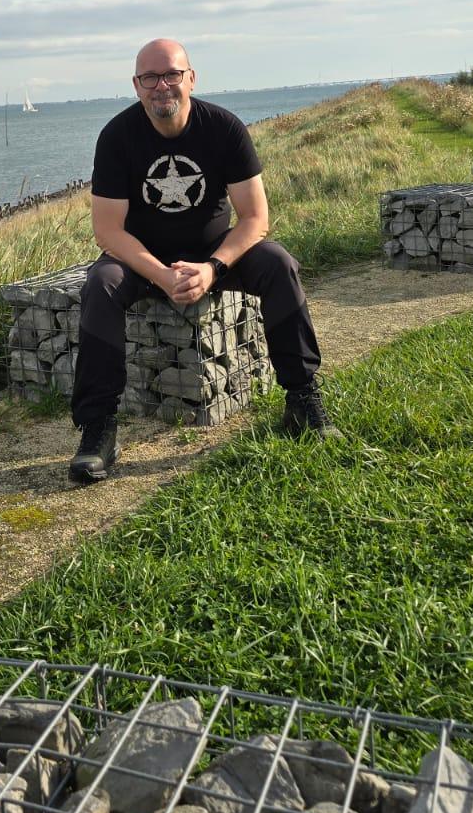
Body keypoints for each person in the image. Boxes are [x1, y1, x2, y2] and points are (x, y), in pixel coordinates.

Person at [69, 38, 339, 484]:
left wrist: (213, 268)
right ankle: (99, 429)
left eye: (171, 74)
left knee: (278, 263)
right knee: (101, 284)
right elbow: (109, 231)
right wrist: (161, 275)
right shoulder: (116, 137)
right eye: (150, 77)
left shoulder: (224, 128)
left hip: (217, 254)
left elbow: (255, 218)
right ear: (136, 85)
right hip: (144, 261)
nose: (161, 85)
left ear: (191, 78)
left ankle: (302, 398)